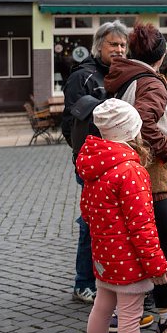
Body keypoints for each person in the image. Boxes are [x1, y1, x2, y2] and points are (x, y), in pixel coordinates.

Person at [78, 98, 167, 333]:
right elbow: (142, 226)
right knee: (130, 318)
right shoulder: (130, 170)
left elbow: (87, 212)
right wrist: (157, 265)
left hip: (105, 258)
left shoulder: (95, 165)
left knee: (102, 308)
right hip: (129, 261)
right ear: (131, 131)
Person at [105, 21, 167, 333]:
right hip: (151, 175)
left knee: (135, 242)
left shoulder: (124, 75)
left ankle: (133, 309)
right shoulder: (151, 82)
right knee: (165, 243)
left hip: (127, 169)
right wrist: (165, 147)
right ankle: (166, 316)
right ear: (161, 54)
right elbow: (144, 121)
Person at [62, 20, 129, 304]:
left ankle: (107, 278)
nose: (119, 49)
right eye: (113, 44)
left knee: (114, 223)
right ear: (98, 45)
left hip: (120, 161)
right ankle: (83, 282)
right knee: (90, 222)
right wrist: (85, 156)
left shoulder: (122, 75)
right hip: (93, 162)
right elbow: (73, 125)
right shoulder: (83, 77)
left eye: (123, 45)